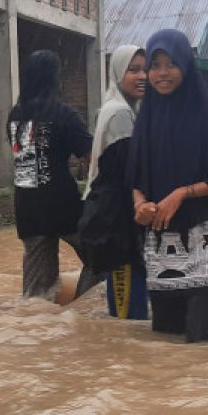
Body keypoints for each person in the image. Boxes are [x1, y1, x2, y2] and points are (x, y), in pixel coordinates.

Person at [127, 29, 208, 341]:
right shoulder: (148, 113)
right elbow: (136, 174)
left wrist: (182, 193)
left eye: (171, 64)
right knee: (167, 340)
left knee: (206, 343)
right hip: (163, 241)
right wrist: (140, 204)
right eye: (154, 65)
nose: (162, 73)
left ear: (185, 64)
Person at [8, 50, 101, 300]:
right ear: (54, 80)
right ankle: (84, 309)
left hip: (28, 209)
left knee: (36, 294)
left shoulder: (15, 116)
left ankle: (40, 328)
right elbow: (94, 158)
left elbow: (27, 161)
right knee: (103, 254)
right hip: (63, 205)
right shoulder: (64, 115)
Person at [78, 45, 149, 319]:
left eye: (145, 69)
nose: (142, 76)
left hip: (112, 216)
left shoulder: (120, 108)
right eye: (133, 70)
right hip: (116, 220)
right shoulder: (120, 113)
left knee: (126, 308)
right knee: (127, 316)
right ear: (118, 73)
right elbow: (133, 170)